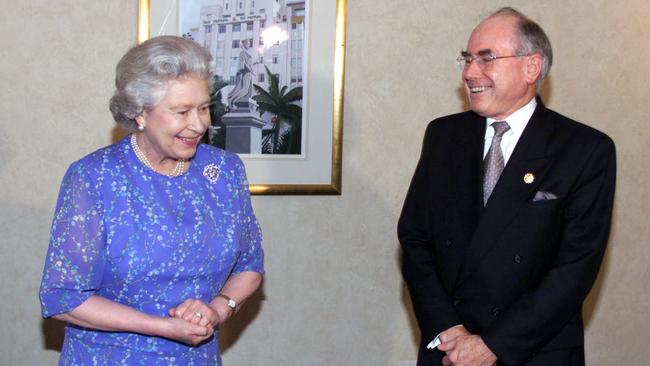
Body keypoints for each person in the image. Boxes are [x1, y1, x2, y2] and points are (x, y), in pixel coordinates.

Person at [398, 7, 615, 366]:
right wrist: (449, 332)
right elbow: (416, 241)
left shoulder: (584, 150)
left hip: (532, 352)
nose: (469, 72)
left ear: (531, 67)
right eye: (467, 59)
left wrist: (490, 346)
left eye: (486, 59)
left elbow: (574, 268)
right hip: (449, 351)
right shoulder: (443, 136)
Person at [39, 35, 264, 365]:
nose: (199, 124)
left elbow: (250, 266)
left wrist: (216, 311)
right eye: (182, 111)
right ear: (139, 113)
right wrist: (162, 327)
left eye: (204, 108)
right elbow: (63, 297)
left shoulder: (224, 171)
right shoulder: (95, 177)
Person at [227, 39, 255, 109]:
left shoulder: (247, 53)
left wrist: (254, 65)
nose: (249, 45)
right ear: (244, 44)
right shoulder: (242, 53)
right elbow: (243, 64)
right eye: (247, 43)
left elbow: (249, 64)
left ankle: (240, 100)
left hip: (249, 73)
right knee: (245, 89)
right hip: (245, 73)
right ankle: (232, 100)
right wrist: (250, 70)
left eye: (249, 43)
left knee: (249, 91)